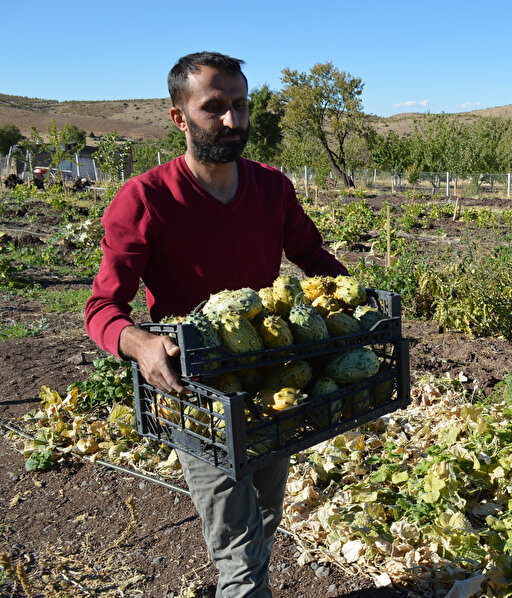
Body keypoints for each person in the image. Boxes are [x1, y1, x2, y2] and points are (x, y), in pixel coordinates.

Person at [84, 51, 348, 597]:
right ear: (179, 116)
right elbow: (102, 308)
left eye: (241, 106)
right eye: (214, 107)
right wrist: (138, 343)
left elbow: (313, 256)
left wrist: (361, 303)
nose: (233, 121)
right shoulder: (145, 199)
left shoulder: (272, 188)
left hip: (274, 381)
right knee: (238, 553)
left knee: (265, 515)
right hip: (197, 390)